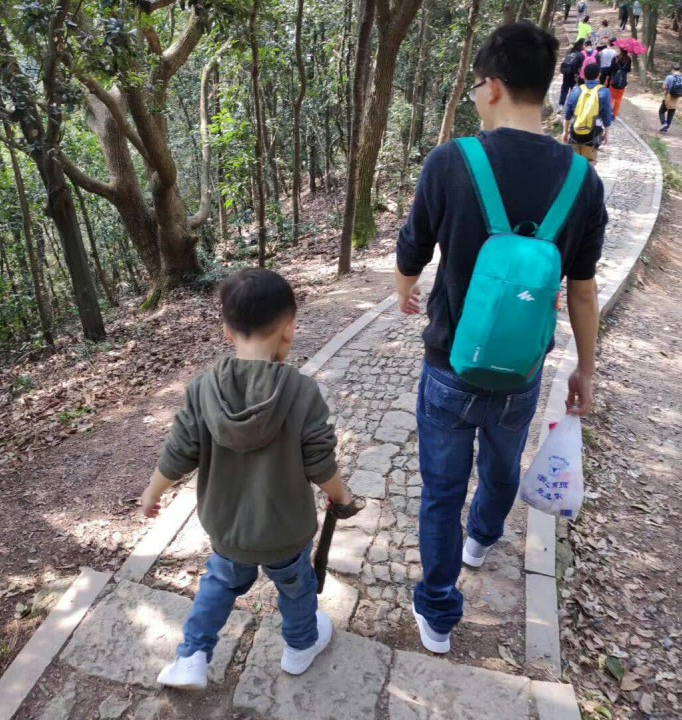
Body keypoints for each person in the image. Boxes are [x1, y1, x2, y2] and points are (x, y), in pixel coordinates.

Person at [395, 21, 606, 654]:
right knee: (502, 462)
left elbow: (411, 251)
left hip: (449, 365)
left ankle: (438, 614)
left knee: (441, 490)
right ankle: (483, 537)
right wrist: (584, 370)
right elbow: (583, 291)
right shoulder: (583, 182)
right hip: (522, 371)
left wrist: (404, 290)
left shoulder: (451, 162)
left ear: (490, 86)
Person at [142, 268, 358, 689]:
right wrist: (343, 497)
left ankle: (192, 656)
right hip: (285, 531)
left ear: (227, 330)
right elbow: (320, 464)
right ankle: (300, 647)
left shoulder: (202, 389)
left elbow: (179, 451)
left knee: (220, 583)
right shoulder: (302, 391)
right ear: (289, 329)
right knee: (296, 587)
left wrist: (152, 493)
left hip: (229, 529)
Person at [564, 62, 614, 164]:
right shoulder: (604, 92)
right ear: (599, 75)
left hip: (576, 131)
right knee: (589, 161)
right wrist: (606, 135)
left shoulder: (576, 91)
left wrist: (565, 132)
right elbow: (607, 115)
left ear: (584, 75)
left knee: (575, 160)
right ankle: (588, 171)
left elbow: (568, 114)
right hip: (593, 133)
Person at [559, 40, 585, 110]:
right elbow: (580, 66)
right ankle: (570, 106)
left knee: (564, 89)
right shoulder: (580, 54)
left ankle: (561, 105)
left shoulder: (570, 52)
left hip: (566, 73)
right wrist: (577, 75)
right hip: (574, 74)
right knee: (573, 90)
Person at [659, 64, 682, 133]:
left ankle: (664, 123)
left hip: (668, 97)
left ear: (672, 69)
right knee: (671, 113)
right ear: (679, 69)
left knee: (661, 111)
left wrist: (667, 88)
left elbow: (664, 87)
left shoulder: (669, 77)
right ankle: (666, 129)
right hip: (677, 98)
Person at [609, 48, 632, 116]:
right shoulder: (628, 59)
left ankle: (608, 112)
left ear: (620, 50)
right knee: (618, 99)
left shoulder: (615, 58)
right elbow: (628, 70)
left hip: (614, 81)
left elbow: (611, 68)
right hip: (622, 82)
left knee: (611, 98)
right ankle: (615, 114)